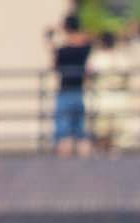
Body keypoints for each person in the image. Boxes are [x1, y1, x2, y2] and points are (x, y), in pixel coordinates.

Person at [46, 16, 91, 157]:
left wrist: (56, 35)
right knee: (81, 134)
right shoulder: (84, 48)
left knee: (63, 136)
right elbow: (87, 39)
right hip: (79, 91)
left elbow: (54, 66)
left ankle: (63, 173)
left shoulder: (62, 50)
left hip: (65, 91)